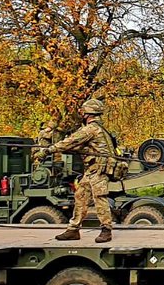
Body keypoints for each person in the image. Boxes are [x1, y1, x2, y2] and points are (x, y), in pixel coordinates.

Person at [40, 99, 117, 243]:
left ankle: (106, 230)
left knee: (100, 198)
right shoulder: (100, 129)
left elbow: (70, 141)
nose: (81, 114)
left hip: (99, 169)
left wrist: (48, 150)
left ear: (88, 113)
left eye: (83, 112)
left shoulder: (90, 129)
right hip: (93, 169)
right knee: (80, 195)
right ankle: (73, 230)